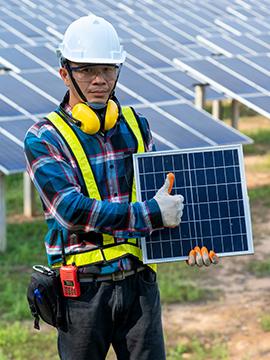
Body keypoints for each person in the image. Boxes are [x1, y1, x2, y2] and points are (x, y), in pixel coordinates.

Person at [24, 14, 218, 360]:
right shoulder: (44, 137)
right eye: (86, 70)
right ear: (65, 73)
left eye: (109, 69)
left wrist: (193, 242)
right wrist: (152, 214)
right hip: (81, 291)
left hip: (140, 285)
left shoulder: (136, 126)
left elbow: (161, 197)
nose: (99, 80)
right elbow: (72, 211)